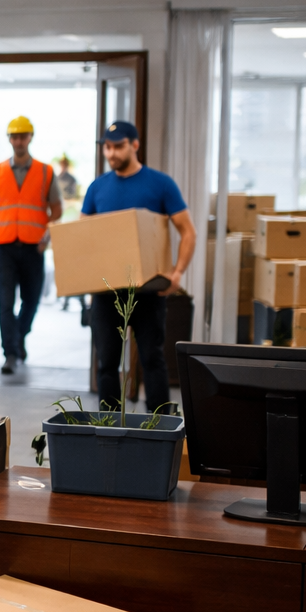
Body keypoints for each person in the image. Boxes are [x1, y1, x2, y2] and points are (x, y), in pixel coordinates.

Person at [81, 120, 197, 414]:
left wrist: (177, 272)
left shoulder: (160, 184)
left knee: (152, 359)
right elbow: (82, 239)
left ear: (135, 145)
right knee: (106, 363)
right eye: (107, 147)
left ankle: (159, 427)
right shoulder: (97, 188)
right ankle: (109, 425)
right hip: (107, 292)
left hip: (149, 290)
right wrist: (85, 281)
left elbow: (188, 231)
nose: (111, 153)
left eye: (118, 146)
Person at [0, 115, 62, 375]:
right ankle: (10, 354)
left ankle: (18, 335)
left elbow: (57, 211)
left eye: (23, 136)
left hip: (32, 247)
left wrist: (45, 237)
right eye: (14, 136)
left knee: (32, 300)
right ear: (9, 139)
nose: (18, 141)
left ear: (30, 138)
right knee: (5, 303)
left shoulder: (46, 172)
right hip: (2, 246)